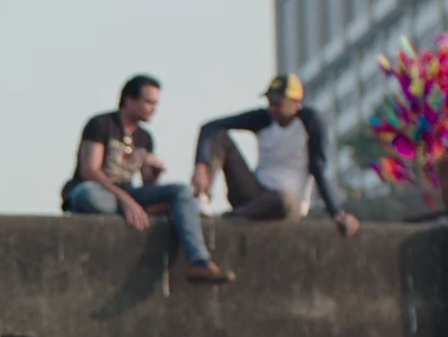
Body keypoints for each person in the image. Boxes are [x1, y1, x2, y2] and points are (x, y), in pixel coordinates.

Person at [62, 74, 235, 284]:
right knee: (87, 195)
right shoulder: (101, 124)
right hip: (99, 191)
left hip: (128, 193)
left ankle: (199, 261)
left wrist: (154, 174)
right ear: (129, 100)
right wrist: (127, 201)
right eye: (148, 102)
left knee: (180, 191)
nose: (153, 109)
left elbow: (147, 185)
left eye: (155, 104)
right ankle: (144, 210)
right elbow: (89, 170)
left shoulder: (144, 138)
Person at [189, 75, 360, 238]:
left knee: (282, 199)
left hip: (288, 204)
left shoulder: (310, 121)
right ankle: (202, 200)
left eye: (278, 104)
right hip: (254, 193)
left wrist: (337, 213)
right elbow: (210, 127)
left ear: (295, 103)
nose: (273, 109)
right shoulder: (263, 118)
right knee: (219, 136)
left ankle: (230, 218)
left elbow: (318, 168)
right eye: (270, 103)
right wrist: (201, 165)